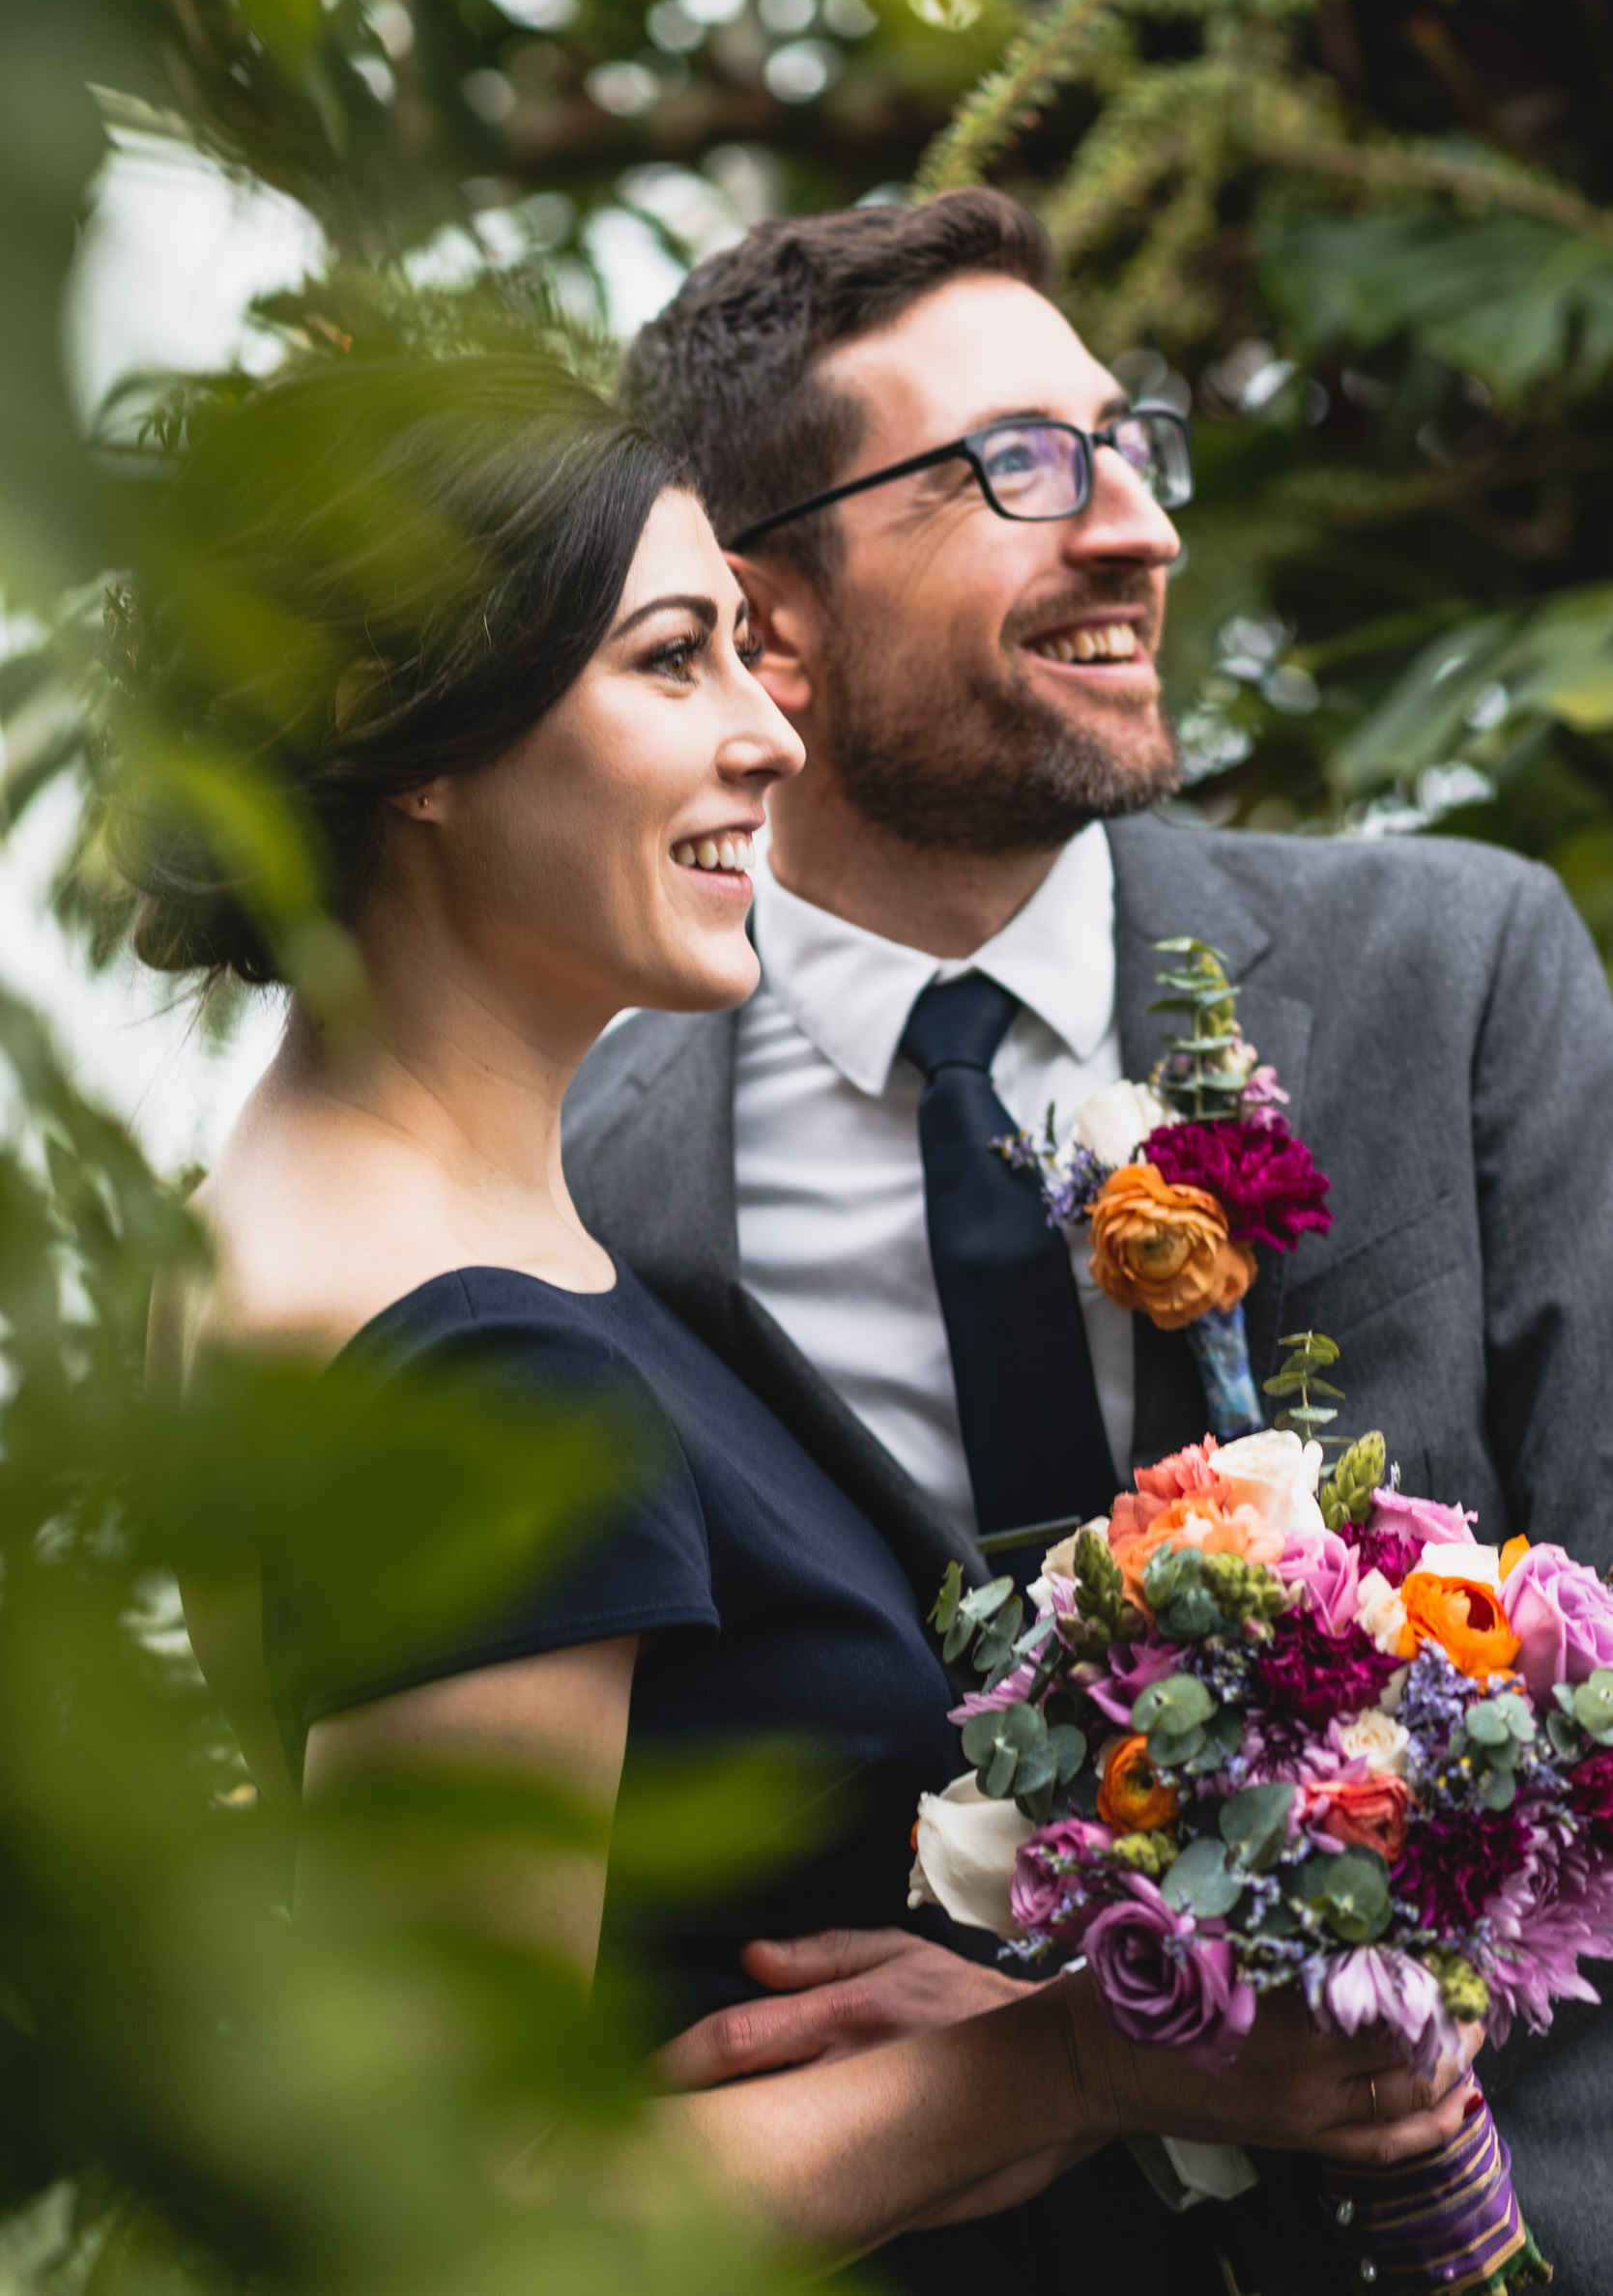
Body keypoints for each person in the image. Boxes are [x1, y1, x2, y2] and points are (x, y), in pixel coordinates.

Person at [126, 355, 1466, 2287]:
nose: (767, 737)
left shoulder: (259, 1218)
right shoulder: (491, 1366)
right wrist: (1079, 2058)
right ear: (402, 732)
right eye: (675, 660)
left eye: (753, 655)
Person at [562, 188, 1613, 2290]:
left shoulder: (1461, 969)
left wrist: (1170, 2034)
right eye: (1013, 470)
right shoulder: (588, 1177)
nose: (1132, 527)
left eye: (1126, 446)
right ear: (761, 624)